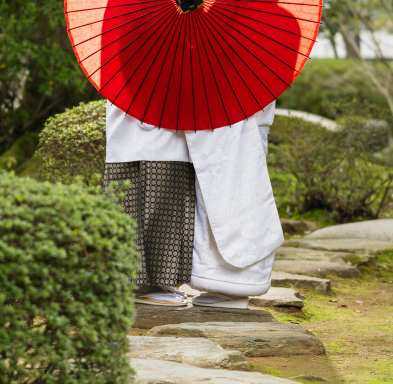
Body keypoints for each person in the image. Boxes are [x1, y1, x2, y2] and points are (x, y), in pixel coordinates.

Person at [104, 99, 283, 309]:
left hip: (228, 107)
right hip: (146, 111)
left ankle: (229, 284)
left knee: (227, 189)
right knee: (159, 179)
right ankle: (143, 283)